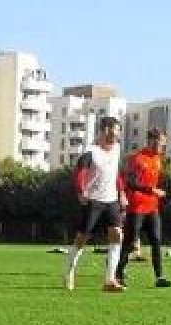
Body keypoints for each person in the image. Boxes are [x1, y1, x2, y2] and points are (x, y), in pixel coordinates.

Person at [64, 116, 128, 292]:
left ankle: (109, 280)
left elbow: (116, 173)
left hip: (111, 200)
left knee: (117, 235)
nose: (118, 133)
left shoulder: (116, 148)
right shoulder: (90, 151)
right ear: (106, 130)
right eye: (116, 129)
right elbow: (79, 173)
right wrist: (80, 192)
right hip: (93, 201)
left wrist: (122, 193)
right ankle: (69, 274)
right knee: (81, 238)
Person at [117, 128, 171, 288]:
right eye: (159, 142)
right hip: (136, 207)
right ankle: (118, 273)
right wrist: (152, 190)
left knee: (156, 241)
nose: (161, 145)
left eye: (163, 143)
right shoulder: (137, 158)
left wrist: (157, 194)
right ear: (150, 140)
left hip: (152, 208)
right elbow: (131, 183)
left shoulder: (158, 159)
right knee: (129, 242)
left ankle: (159, 277)